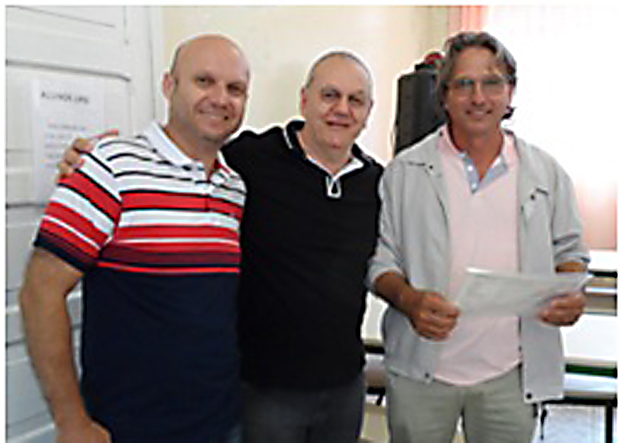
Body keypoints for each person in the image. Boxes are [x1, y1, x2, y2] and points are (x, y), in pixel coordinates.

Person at [58, 51, 383, 443]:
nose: (342, 109)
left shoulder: (378, 183)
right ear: (304, 100)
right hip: (263, 389)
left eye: (355, 100)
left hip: (344, 386)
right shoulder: (249, 159)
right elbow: (185, 151)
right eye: (330, 95)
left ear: (368, 112)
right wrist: (88, 160)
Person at [19, 34, 250, 443]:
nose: (220, 98)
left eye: (235, 89)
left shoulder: (233, 187)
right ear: (169, 85)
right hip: (130, 427)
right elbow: (40, 293)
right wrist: (72, 422)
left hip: (221, 421)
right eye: (203, 81)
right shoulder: (110, 166)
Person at [367, 31, 589, 443]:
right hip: (422, 374)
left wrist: (568, 292)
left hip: (510, 374)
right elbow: (381, 262)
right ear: (444, 95)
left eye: (492, 83)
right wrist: (409, 300)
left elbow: (571, 253)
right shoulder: (403, 172)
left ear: (510, 92)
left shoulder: (546, 173)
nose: (478, 97)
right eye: (464, 84)